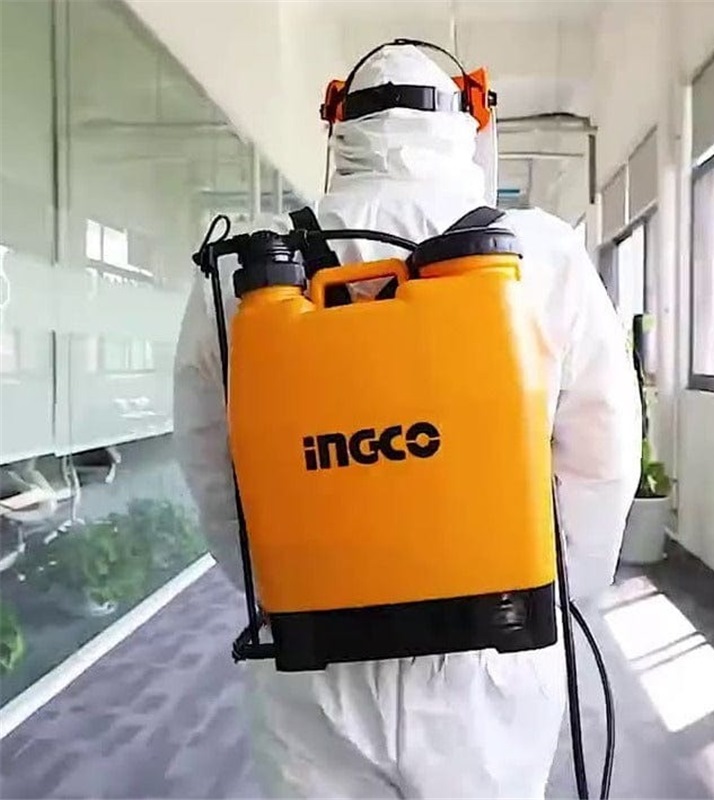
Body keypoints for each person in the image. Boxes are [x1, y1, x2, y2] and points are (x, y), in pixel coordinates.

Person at [173, 42, 641, 800]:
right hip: (489, 661)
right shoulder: (542, 252)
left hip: (313, 661)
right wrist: (555, 595)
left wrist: (274, 585)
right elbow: (603, 458)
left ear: (337, 125)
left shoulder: (244, 272)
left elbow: (210, 460)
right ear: (470, 116)